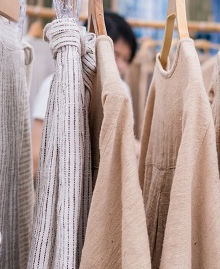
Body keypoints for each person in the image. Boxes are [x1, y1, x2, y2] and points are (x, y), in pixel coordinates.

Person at [30, 11, 139, 177]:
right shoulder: (57, 83)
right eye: (115, 54)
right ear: (90, 43)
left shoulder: (122, 90)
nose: (121, 65)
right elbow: (36, 156)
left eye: (126, 59)